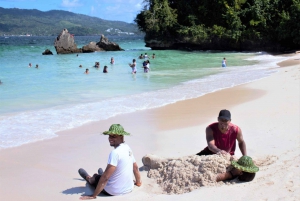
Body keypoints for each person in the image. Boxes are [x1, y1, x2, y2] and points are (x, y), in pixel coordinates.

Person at [78, 124, 142, 199]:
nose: (110, 138)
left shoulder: (115, 153)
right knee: (105, 174)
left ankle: (88, 178)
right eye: (109, 136)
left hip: (113, 191)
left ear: (121, 136)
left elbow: (105, 177)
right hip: (129, 188)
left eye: (114, 136)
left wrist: (93, 196)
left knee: (96, 177)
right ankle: (100, 174)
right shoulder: (128, 148)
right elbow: (135, 168)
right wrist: (138, 182)